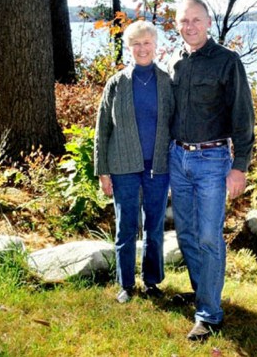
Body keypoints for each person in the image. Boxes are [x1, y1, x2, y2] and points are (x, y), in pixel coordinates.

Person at [168, 0, 255, 341]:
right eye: (183, 21)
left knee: (208, 236)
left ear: (208, 22)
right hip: (178, 158)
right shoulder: (174, 61)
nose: (189, 26)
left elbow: (243, 118)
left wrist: (240, 166)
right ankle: (203, 293)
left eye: (196, 20)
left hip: (212, 160)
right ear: (176, 25)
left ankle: (209, 315)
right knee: (187, 235)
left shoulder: (227, 62)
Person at [94, 20, 174, 304]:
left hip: (158, 167)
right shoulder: (116, 83)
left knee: (154, 226)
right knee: (126, 226)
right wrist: (102, 171)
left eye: (147, 43)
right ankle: (126, 284)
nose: (142, 49)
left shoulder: (166, 81)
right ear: (128, 48)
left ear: (156, 46)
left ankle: (151, 281)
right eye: (136, 44)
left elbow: (174, 125)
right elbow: (102, 129)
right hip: (123, 167)